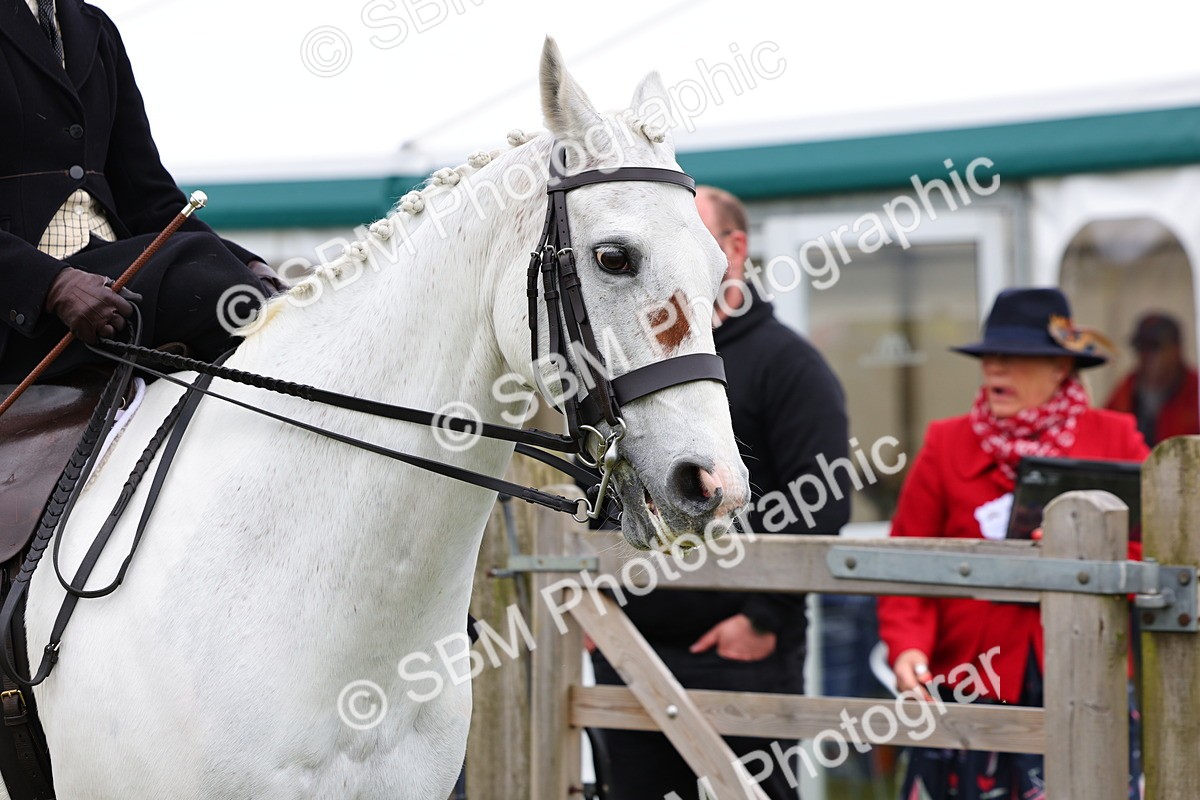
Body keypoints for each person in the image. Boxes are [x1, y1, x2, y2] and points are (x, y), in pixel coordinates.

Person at [589, 186, 852, 799]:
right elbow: (608, 475)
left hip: (740, 652)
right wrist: (596, 605)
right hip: (628, 649)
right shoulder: (636, 359)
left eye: (698, 235)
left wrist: (763, 619)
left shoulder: (788, 364)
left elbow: (825, 499)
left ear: (735, 248)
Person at [876, 287, 1148, 800]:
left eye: (1016, 357)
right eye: (989, 356)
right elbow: (903, 559)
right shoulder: (945, 442)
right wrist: (907, 644)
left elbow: (1156, 553)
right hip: (967, 681)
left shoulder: (1116, 438)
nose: (995, 369)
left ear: (1061, 369)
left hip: (1086, 674)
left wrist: (1084, 551)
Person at [0, 0, 284, 385]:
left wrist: (249, 265)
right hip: (20, 302)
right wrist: (52, 285)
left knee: (244, 292)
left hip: (114, 272)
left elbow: (148, 195)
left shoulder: (96, 28)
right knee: (209, 281)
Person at [1105, 312, 1199, 446]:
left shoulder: (1195, 390)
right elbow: (1105, 432)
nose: (1145, 355)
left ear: (1176, 350)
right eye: (1140, 347)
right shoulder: (1127, 388)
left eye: (1154, 347)